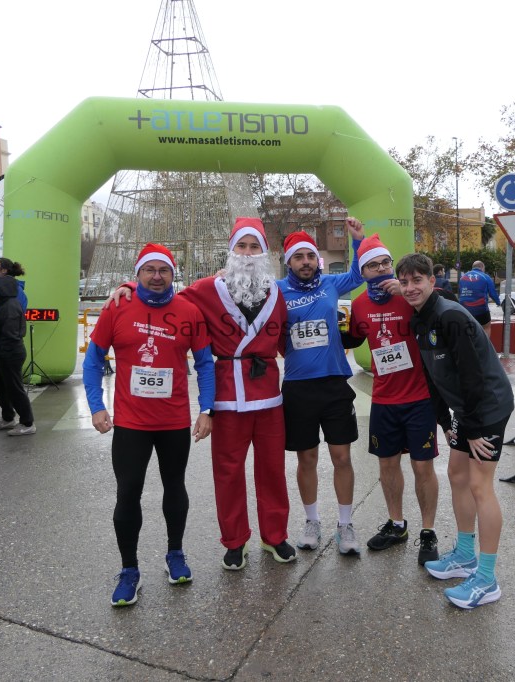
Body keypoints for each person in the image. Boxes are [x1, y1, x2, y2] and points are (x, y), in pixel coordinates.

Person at [110, 218, 295, 571]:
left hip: (268, 395)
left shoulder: (278, 292)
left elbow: (288, 336)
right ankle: (234, 541)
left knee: (272, 470)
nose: (247, 253)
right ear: (231, 250)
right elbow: (162, 295)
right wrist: (129, 286)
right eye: (241, 246)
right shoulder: (208, 289)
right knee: (228, 471)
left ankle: (274, 535)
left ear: (264, 252)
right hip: (227, 395)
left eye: (254, 247)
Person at [84, 244, 214, 606]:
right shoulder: (117, 307)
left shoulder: (189, 311)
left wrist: (207, 409)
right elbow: (93, 361)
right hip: (131, 423)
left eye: (164, 270)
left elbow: (205, 363)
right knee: (128, 493)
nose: (157, 276)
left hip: (173, 421)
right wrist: (96, 406)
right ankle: (129, 570)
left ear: (173, 274)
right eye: (149, 270)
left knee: (175, 487)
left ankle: (175, 554)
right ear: (138, 273)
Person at [397, 253, 514, 610]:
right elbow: (433, 377)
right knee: (457, 474)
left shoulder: (451, 316)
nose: (410, 288)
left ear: (432, 281)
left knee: (480, 485)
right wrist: (447, 424)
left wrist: (473, 428)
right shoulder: (421, 320)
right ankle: (465, 555)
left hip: (488, 406)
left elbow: (473, 375)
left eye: (417, 280)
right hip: (467, 410)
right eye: (404, 282)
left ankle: (487, 578)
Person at [343, 234, 440, 565]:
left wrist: (409, 294)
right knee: (387, 464)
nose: (382, 269)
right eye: (373, 265)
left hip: (420, 397)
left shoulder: (411, 296)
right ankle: (397, 524)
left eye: (386, 262)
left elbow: (444, 304)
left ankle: (428, 531)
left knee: (422, 466)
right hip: (384, 399)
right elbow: (352, 337)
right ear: (363, 272)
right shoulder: (359, 305)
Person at [277, 221, 365, 557]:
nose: (305, 262)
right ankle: (311, 521)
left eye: (310, 256)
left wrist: (358, 240)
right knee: (307, 458)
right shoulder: (277, 290)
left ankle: (345, 524)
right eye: (298, 257)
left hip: (333, 383)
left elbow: (358, 274)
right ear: (289, 262)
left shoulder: (330, 283)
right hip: (298, 386)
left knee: (342, 457)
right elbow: (242, 294)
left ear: (318, 260)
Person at [0, 259, 35, 436]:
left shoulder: (10, 306)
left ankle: (27, 422)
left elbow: (11, 336)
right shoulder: (3, 305)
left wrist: (2, 352)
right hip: (2, 352)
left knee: (14, 388)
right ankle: (8, 418)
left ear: (3, 288)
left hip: (9, 353)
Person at [457, 260, 501, 337]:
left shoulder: (462, 278)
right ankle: (485, 343)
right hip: (480, 310)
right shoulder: (485, 277)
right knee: (486, 327)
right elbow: (493, 293)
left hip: (464, 310)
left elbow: (460, 293)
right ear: (482, 267)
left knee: (466, 329)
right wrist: (498, 303)